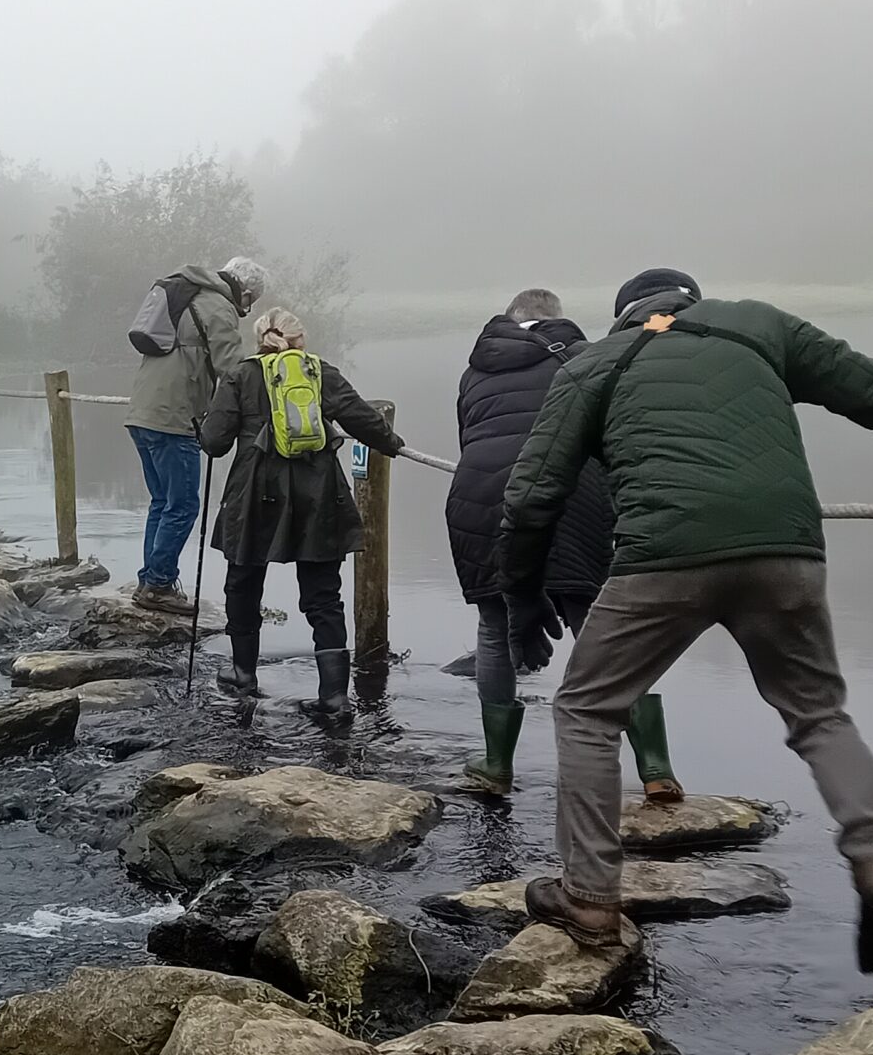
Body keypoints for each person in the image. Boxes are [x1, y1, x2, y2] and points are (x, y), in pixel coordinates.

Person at [503, 267, 873, 947]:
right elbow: (872, 387)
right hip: (785, 553)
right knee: (819, 713)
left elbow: (531, 497)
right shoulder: (758, 324)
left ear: (623, 315)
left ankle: (587, 897)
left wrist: (523, 600)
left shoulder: (597, 364)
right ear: (691, 300)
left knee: (587, 710)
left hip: (660, 557)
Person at [445, 287, 682, 801]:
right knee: (600, 625)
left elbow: (469, 436)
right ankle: (655, 767)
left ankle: (496, 765)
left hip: (481, 497)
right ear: (559, 319)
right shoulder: (586, 358)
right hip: (572, 493)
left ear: (510, 321)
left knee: (494, 623)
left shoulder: (475, 370)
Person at [198, 308, 404, 719]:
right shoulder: (320, 372)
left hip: (255, 491)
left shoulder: (241, 375)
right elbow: (362, 418)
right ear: (301, 339)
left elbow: (216, 443)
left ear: (259, 339)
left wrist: (199, 427)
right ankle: (334, 697)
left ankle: (243, 673)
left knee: (243, 581)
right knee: (324, 596)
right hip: (318, 492)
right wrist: (393, 443)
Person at [123, 257, 267, 614]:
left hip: (142, 413)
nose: (248, 308)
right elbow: (233, 370)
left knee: (162, 501)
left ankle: (151, 579)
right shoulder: (218, 305)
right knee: (183, 505)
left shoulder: (186, 292)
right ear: (246, 293)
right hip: (175, 418)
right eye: (251, 301)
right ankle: (157, 585)